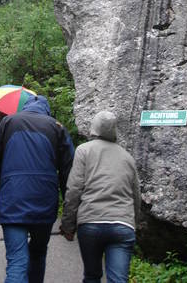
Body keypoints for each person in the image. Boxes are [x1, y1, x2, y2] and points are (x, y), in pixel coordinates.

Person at [0, 95, 74, 283]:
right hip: (44, 206)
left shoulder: (7, 123)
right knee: (38, 255)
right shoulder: (57, 128)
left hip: (12, 203)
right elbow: (69, 176)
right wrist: (70, 218)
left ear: (25, 108)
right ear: (46, 111)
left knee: (17, 262)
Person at [60, 110, 141, 283]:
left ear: (94, 128)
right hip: (122, 225)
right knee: (118, 280)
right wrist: (135, 223)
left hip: (90, 223)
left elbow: (74, 189)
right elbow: (136, 195)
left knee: (91, 276)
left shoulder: (84, 151)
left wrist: (68, 225)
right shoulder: (127, 157)